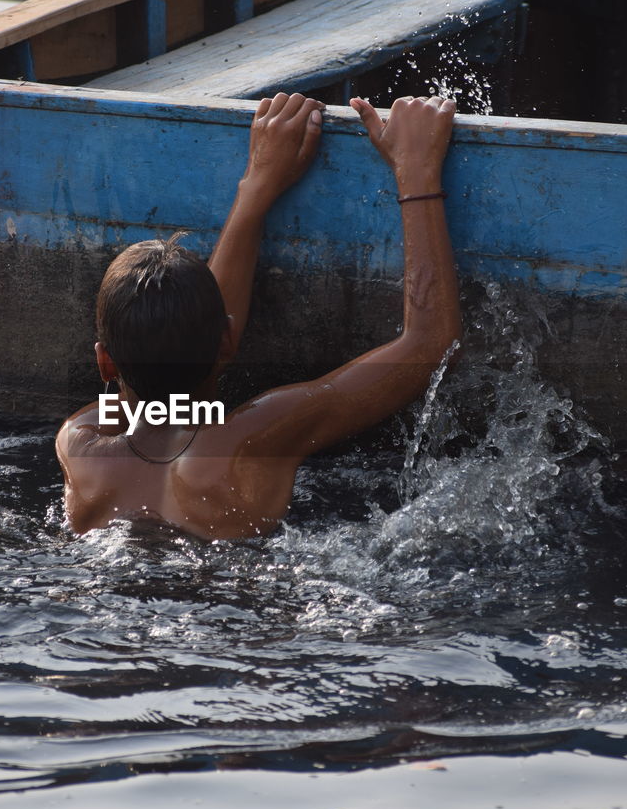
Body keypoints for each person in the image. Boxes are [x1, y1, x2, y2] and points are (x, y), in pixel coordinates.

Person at [56, 92, 461, 539]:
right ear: (227, 341)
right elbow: (429, 345)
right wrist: (416, 171)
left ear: (104, 362)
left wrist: (259, 183)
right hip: (239, 592)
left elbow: (169, 390)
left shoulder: (79, 443)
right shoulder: (253, 437)